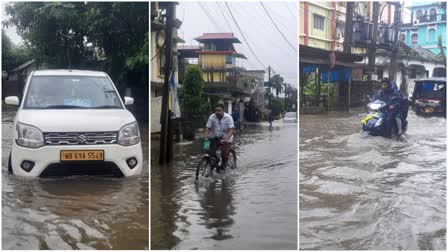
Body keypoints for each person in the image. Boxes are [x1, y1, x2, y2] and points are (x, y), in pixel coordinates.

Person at [204, 103, 234, 171]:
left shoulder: (228, 117)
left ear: (223, 110)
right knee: (207, 150)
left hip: (227, 137)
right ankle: (216, 160)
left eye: (219, 110)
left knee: (224, 153)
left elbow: (231, 130)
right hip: (216, 137)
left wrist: (226, 139)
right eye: (216, 110)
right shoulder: (212, 117)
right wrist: (205, 138)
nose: (217, 112)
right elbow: (208, 128)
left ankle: (223, 165)